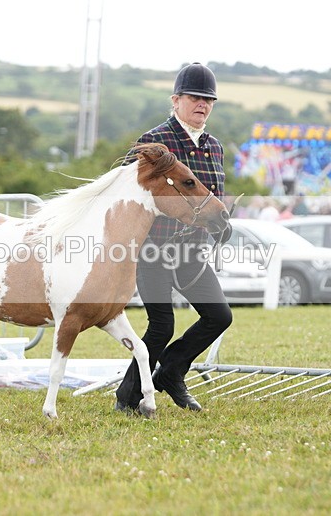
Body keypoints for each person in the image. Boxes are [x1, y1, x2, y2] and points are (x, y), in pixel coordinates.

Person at [114, 62, 232, 414]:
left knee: (219, 317)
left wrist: (221, 223)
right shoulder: (156, 142)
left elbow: (213, 196)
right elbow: (122, 184)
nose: (203, 104)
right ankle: (128, 396)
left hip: (193, 252)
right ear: (176, 100)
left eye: (208, 99)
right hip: (155, 251)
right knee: (161, 325)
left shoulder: (215, 146)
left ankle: (172, 371)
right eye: (195, 97)